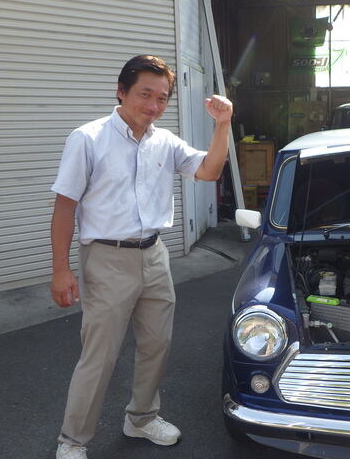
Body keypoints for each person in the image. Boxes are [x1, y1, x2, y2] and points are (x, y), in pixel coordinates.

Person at [50, 55, 232, 459]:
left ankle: (142, 418)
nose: (153, 105)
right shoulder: (88, 138)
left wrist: (223, 124)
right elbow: (65, 207)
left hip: (153, 255)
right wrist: (61, 269)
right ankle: (73, 440)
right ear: (121, 92)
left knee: (156, 344)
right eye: (145, 94)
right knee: (99, 355)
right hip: (106, 258)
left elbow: (209, 171)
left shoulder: (164, 142)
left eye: (162, 98)